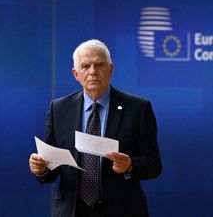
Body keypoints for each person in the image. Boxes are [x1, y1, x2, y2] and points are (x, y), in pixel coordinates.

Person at [29, 39, 162, 217]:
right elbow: (53, 170)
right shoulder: (59, 109)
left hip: (123, 210)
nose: (93, 72)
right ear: (76, 74)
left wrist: (130, 165)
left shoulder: (138, 108)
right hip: (72, 210)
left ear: (111, 70)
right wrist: (42, 168)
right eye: (85, 66)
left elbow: (154, 164)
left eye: (99, 64)